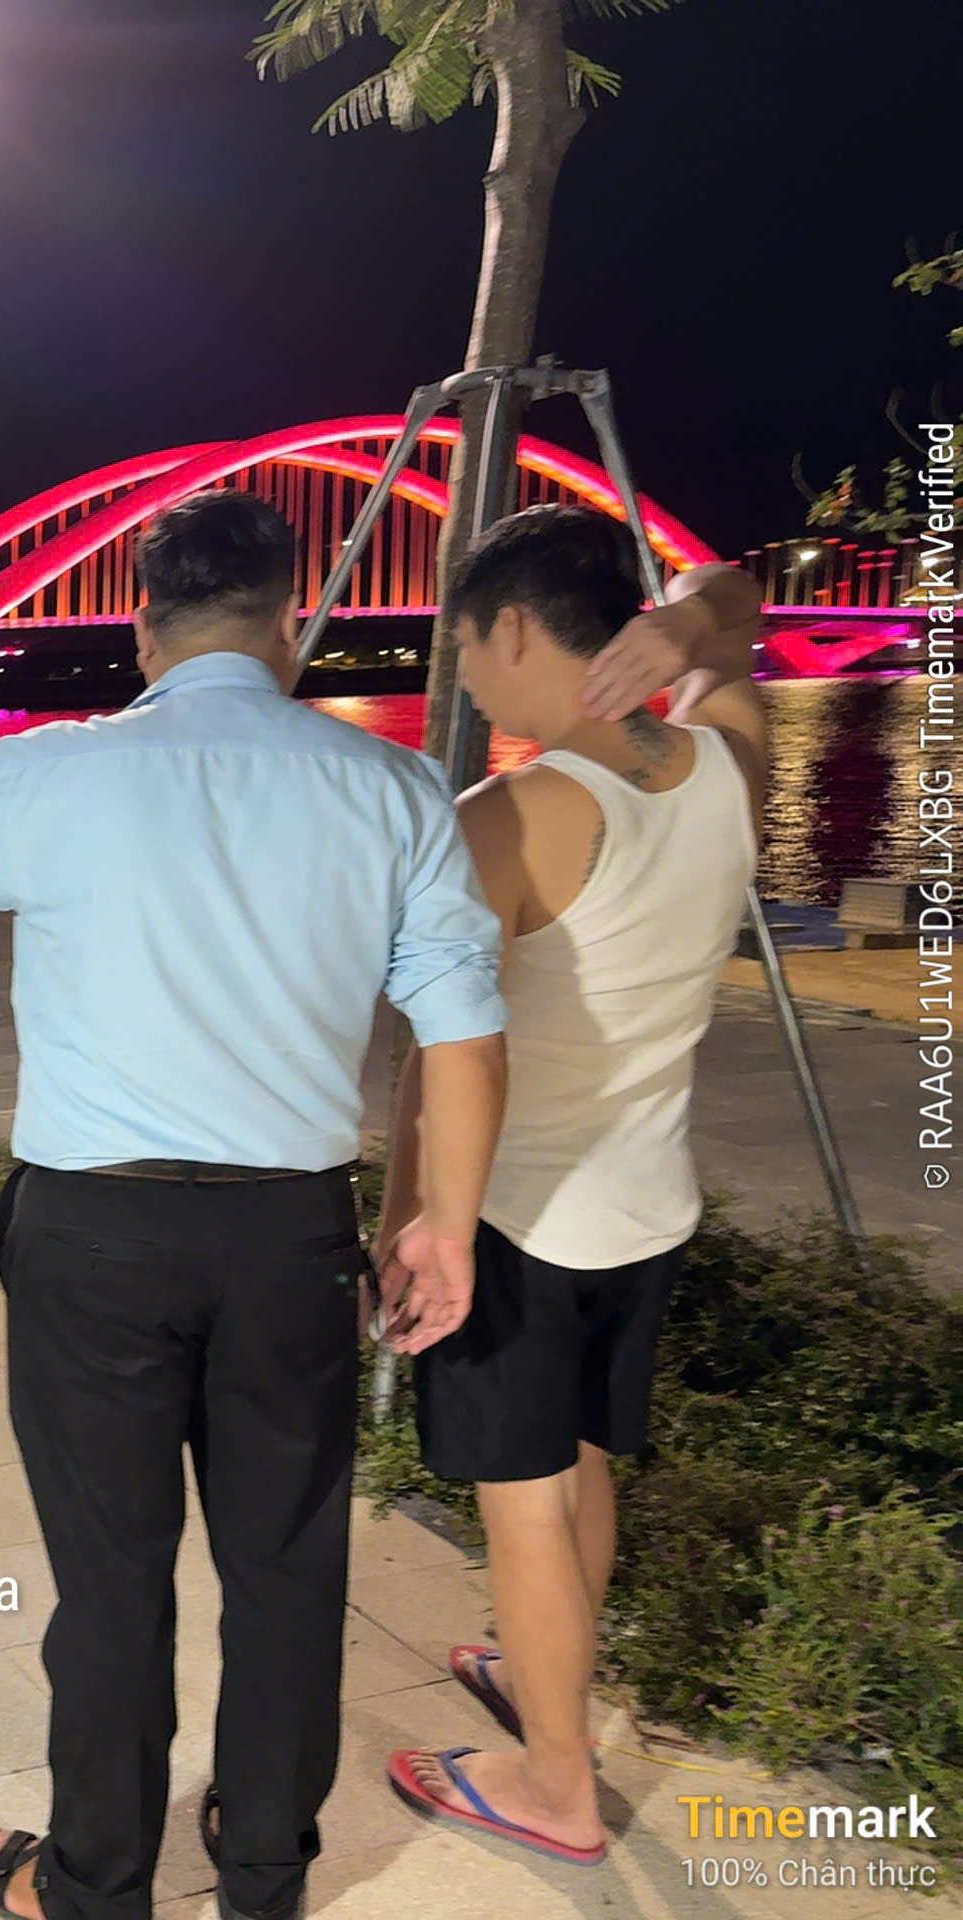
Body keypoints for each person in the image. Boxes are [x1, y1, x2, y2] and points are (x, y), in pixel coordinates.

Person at [0, 490, 510, 1920]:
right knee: (287, 1571)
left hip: (94, 1239)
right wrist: (444, 1223)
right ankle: (264, 1874)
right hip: (290, 1239)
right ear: (289, 621)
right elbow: (466, 1029)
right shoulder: (391, 790)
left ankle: (95, 1886)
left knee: (113, 1576)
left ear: (142, 627)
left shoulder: (50, 774)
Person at [382, 510, 765, 1866]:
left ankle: (552, 1783)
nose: (465, 678)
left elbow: (445, 1052)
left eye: (466, 646)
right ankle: (546, 1674)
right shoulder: (727, 758)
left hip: (520, 1219)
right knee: (579, 1459)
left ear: (514, 626)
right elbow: (739, 608)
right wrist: (691, 625)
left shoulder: (508, 815)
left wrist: (411, 1221)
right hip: (647, 1203)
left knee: (524, 1497)